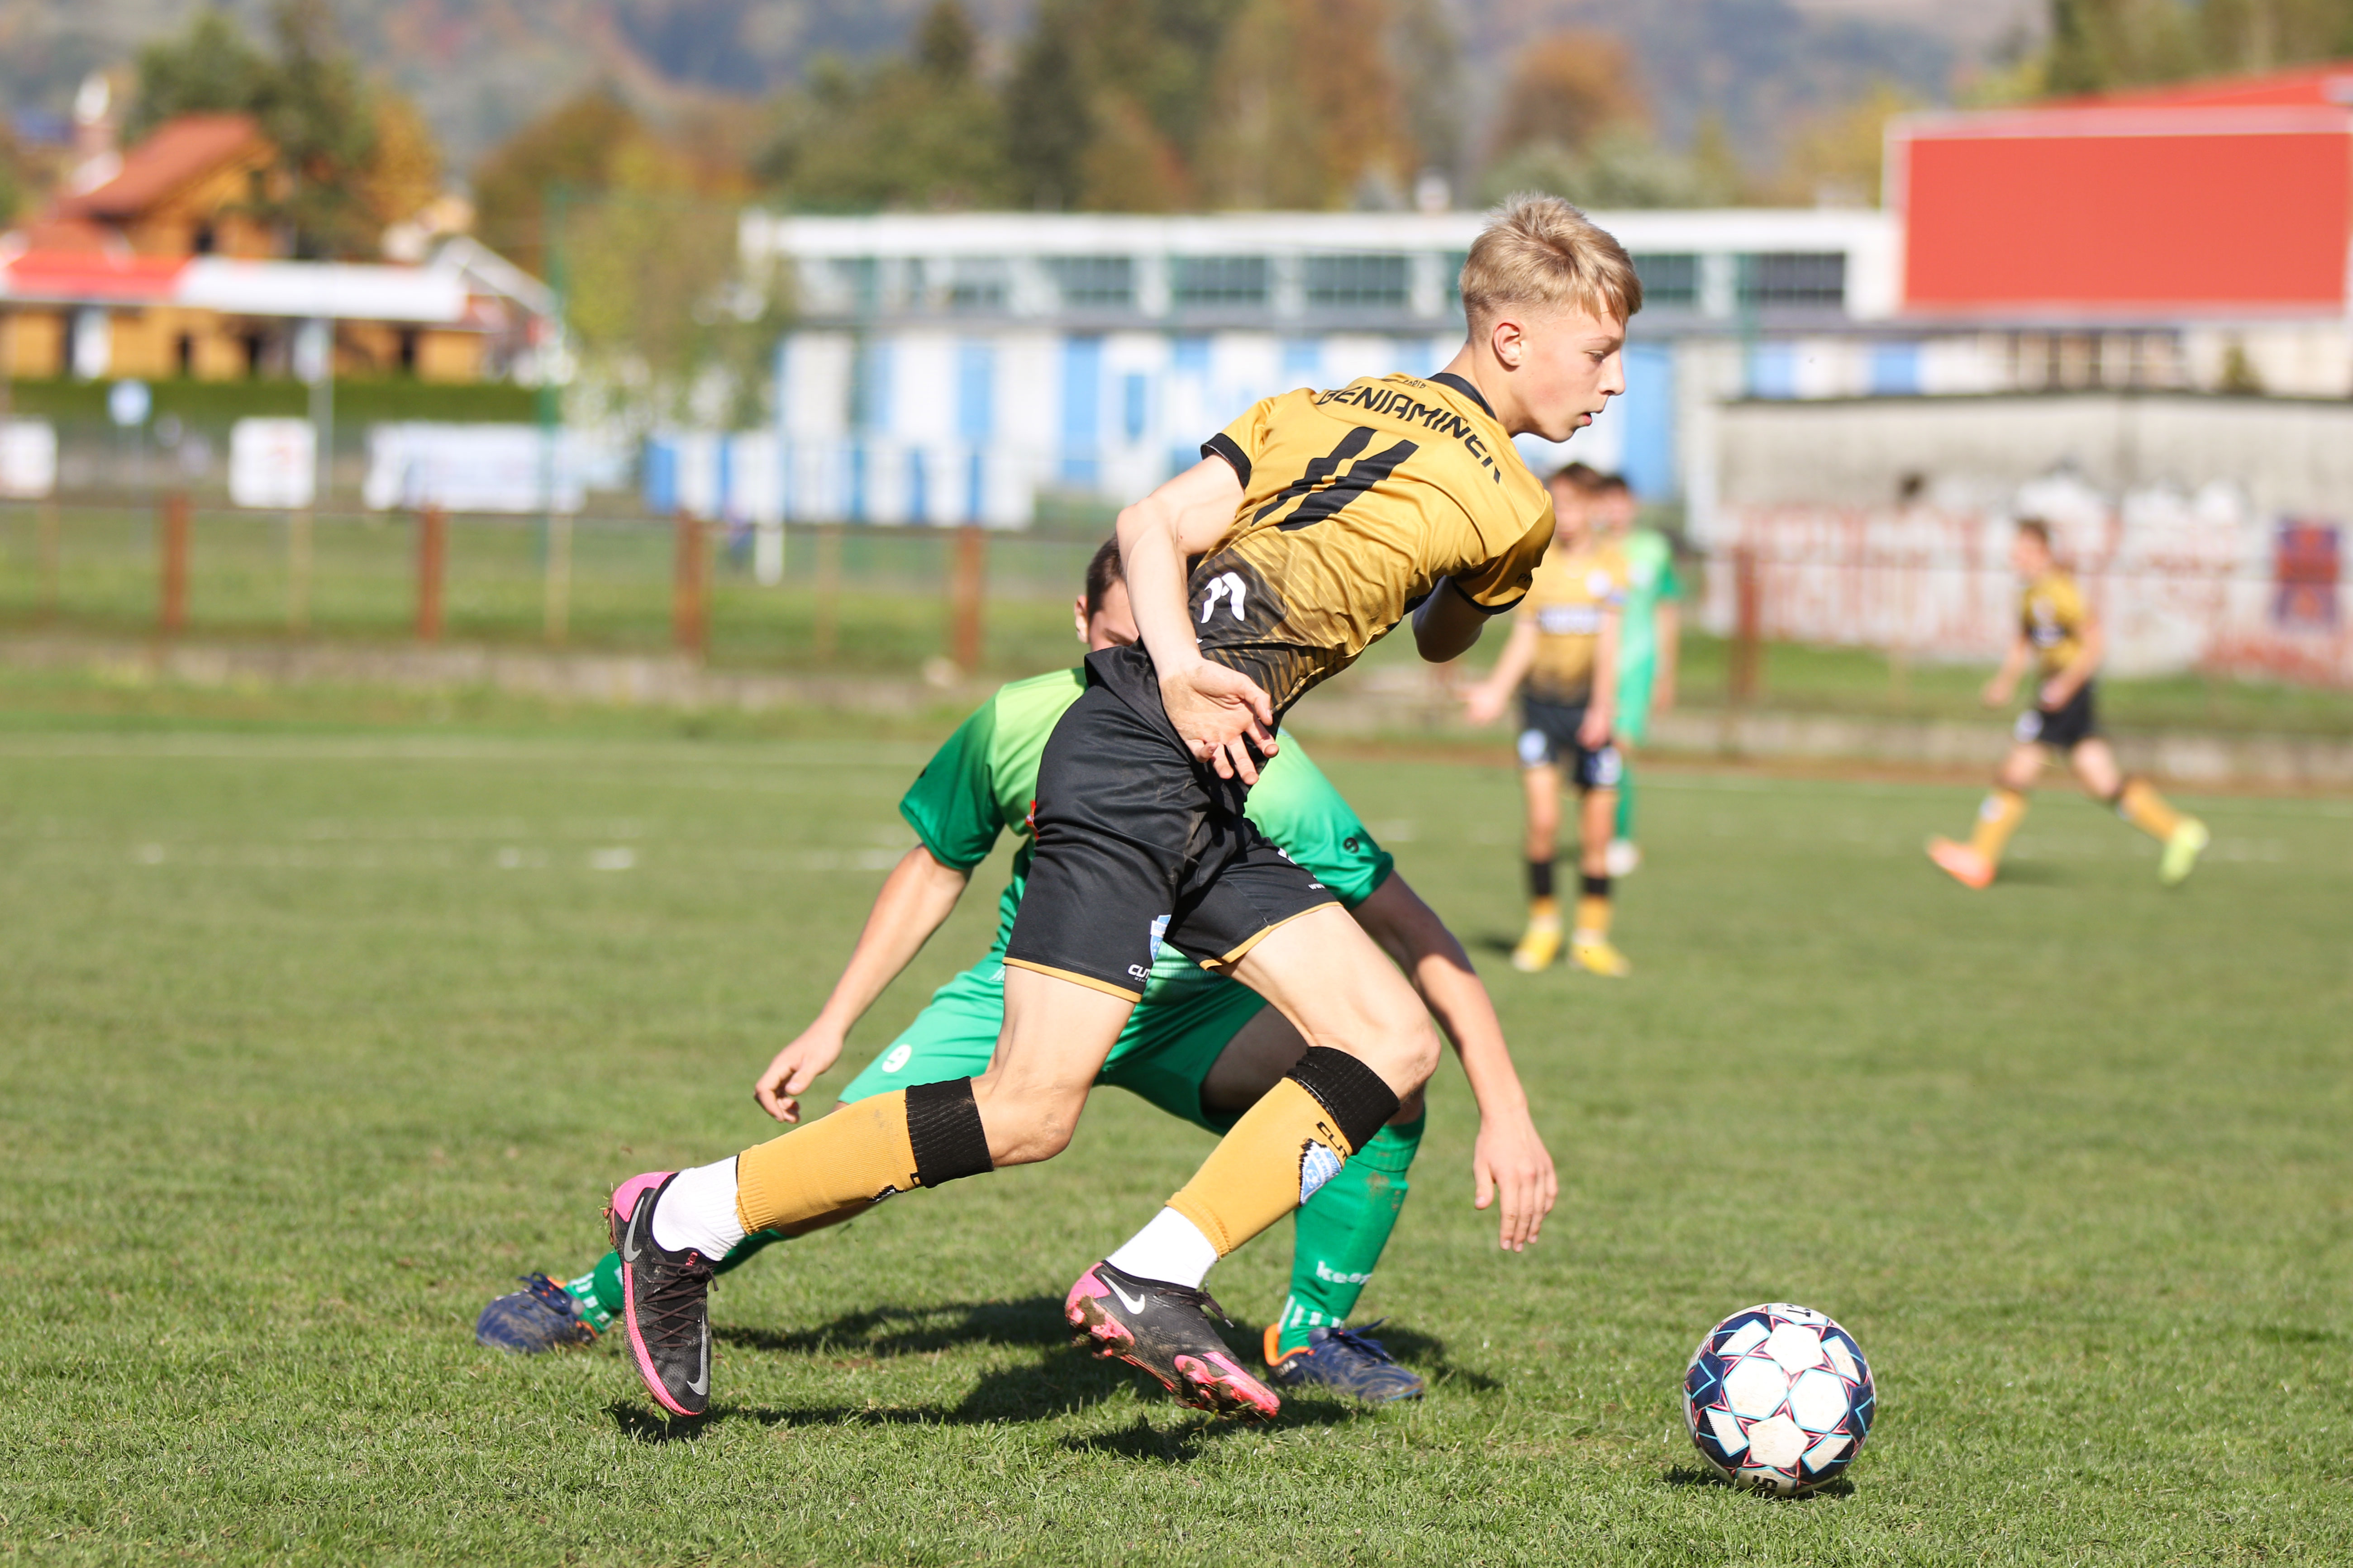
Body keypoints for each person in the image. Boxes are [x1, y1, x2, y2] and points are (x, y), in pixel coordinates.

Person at [604, 194, 1639, 1422]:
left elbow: (1147, 524)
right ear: (1511, 339)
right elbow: (1447, 645)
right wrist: (1203, 673)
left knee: (1393, 1038)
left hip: (1202, 763)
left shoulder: (1321, 405)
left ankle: (1156, 1270)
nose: (1614, 381)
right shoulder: (1517, 507)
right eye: (1601, 349)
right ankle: (687, 1218)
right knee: (1029, 1110)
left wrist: (1182, 658)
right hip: (1147, 753)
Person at [477, 543, 1556, 1406]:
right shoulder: (1016, 721)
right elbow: (935, 860)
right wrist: (832, 1019)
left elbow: (1416, 935)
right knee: (841, 1163)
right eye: (1123, 637)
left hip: (1184, 1011)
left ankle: (1309, 1335)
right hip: (1024, 993)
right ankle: (615, 1279)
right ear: (1087, 631)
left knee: (1387, 1072)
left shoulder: (1264, 757)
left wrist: (1502, 1107)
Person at [1927, 518, 2209, 890]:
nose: (2016, 558)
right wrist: (2005, 682)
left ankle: (1980, 858)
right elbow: (2023, 642)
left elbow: (2095, 642)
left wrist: (2065, 684)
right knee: (2101, 781)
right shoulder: (2029, 594)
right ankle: (2177, 830)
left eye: (2023, 551)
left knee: (2016, 771)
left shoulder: (2061, 591)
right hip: (2060, 692)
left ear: (2043, 552)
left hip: (2067, 694)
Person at [1460, 462, 1631, 977]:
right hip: (1540, 707)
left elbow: (1609, 646)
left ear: (1594, 508)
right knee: (1542, 822)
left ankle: (1590, 939)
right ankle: (1543, 927)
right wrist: (1495, 691)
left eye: (1575, 505)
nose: (1566, 516)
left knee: (1597, 835)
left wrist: (1604, 709)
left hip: (1590, 712)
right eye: (1558, 505)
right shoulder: (1537, 565)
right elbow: (1526, 639)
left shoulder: (1612, 564)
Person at [1595, 472, 1679, 878]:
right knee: (1595, 752)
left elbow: (1666, 610)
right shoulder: (1590, 550)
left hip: (1637, 665)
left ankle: (1619, 839)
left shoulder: (1653, 549)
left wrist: (1666, 672)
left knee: (1620, 749)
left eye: (1621, 501)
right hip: (1595, 666)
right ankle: (1602, 835)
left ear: (1633, 505)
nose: (1615, 510)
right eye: (1607, 501)